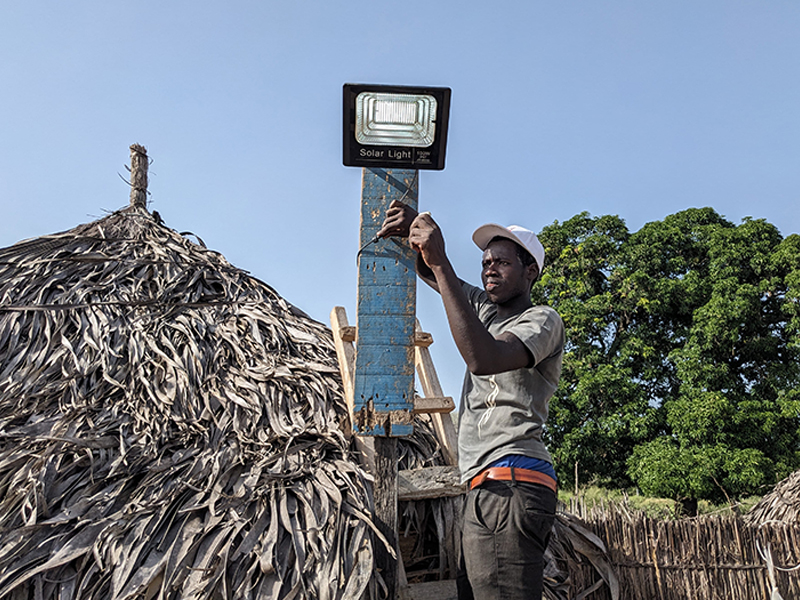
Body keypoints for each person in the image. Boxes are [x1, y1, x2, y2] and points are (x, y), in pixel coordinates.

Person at [378, 200, 564, 600]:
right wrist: (416, 232)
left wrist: (441, 259)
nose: (489, 268)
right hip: (486, 489)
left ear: (530, 271)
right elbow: (436, 275)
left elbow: (484, 359)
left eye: (502, 261)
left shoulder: (542, 320)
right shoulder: (485, 310)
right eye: (485, 262)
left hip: (512, 483)